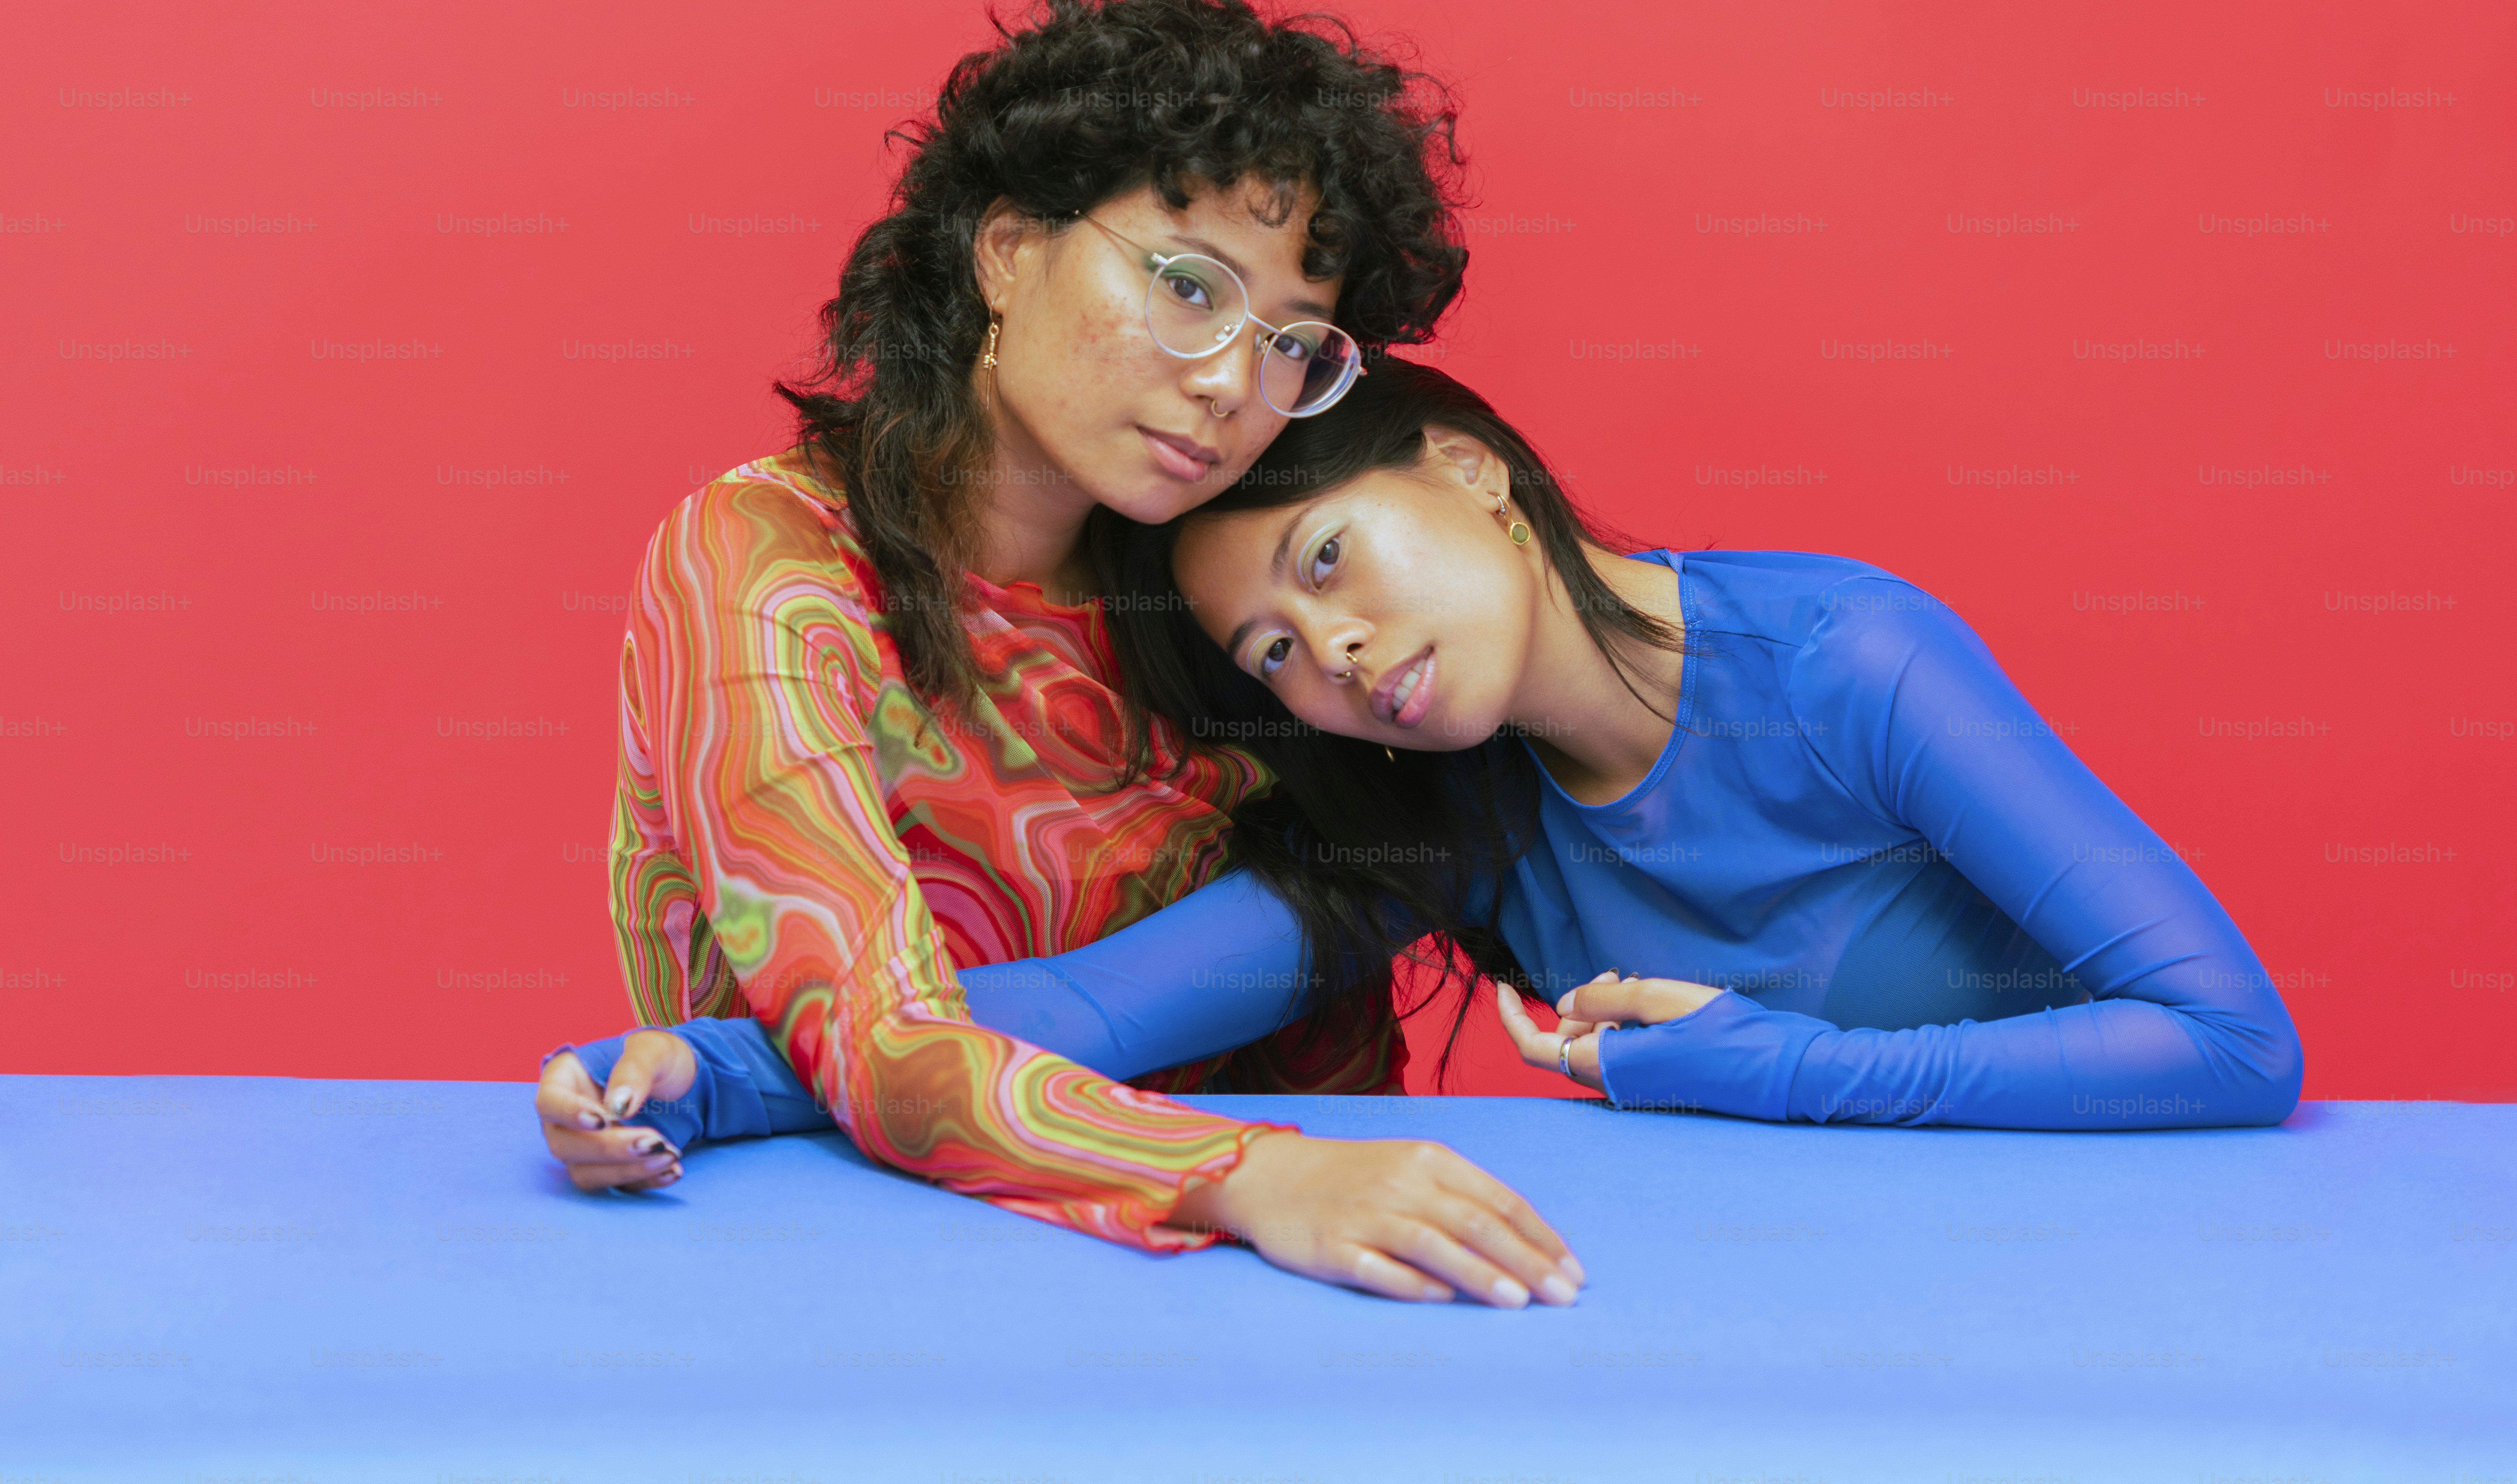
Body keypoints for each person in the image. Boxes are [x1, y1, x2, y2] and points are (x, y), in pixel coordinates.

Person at [534, 0, 1585, 1313]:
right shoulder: (767, 561)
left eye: (1289, 342)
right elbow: (878, 1039)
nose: (1228, 384)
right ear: (1010, 247)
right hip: (856, 1281)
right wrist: (1255, 1178)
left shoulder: (1238, 601)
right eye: (1191, 287)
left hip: (1301, 1294)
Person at [575, 361, 2304, 1139]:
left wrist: (1762, 1067)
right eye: (1274, 652)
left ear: (1469, 467)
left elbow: (2230, 1043)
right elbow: (1092, 1019)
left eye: (1327, 564)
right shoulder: (1453, 812)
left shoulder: (1847, 660)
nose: (1327, 655)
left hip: (2115, 1297)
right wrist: (706, 1078)